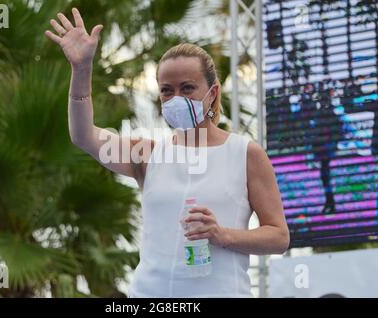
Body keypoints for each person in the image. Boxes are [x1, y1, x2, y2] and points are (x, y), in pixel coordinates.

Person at [45, 8, 290, 298]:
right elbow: (83, 135)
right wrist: (82, 69)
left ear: (212, 93)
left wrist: (223, 235)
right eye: (166, 91)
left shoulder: (245, 153)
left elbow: (278, 236)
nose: (176, 99)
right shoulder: (147, 155)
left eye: (187, 88)